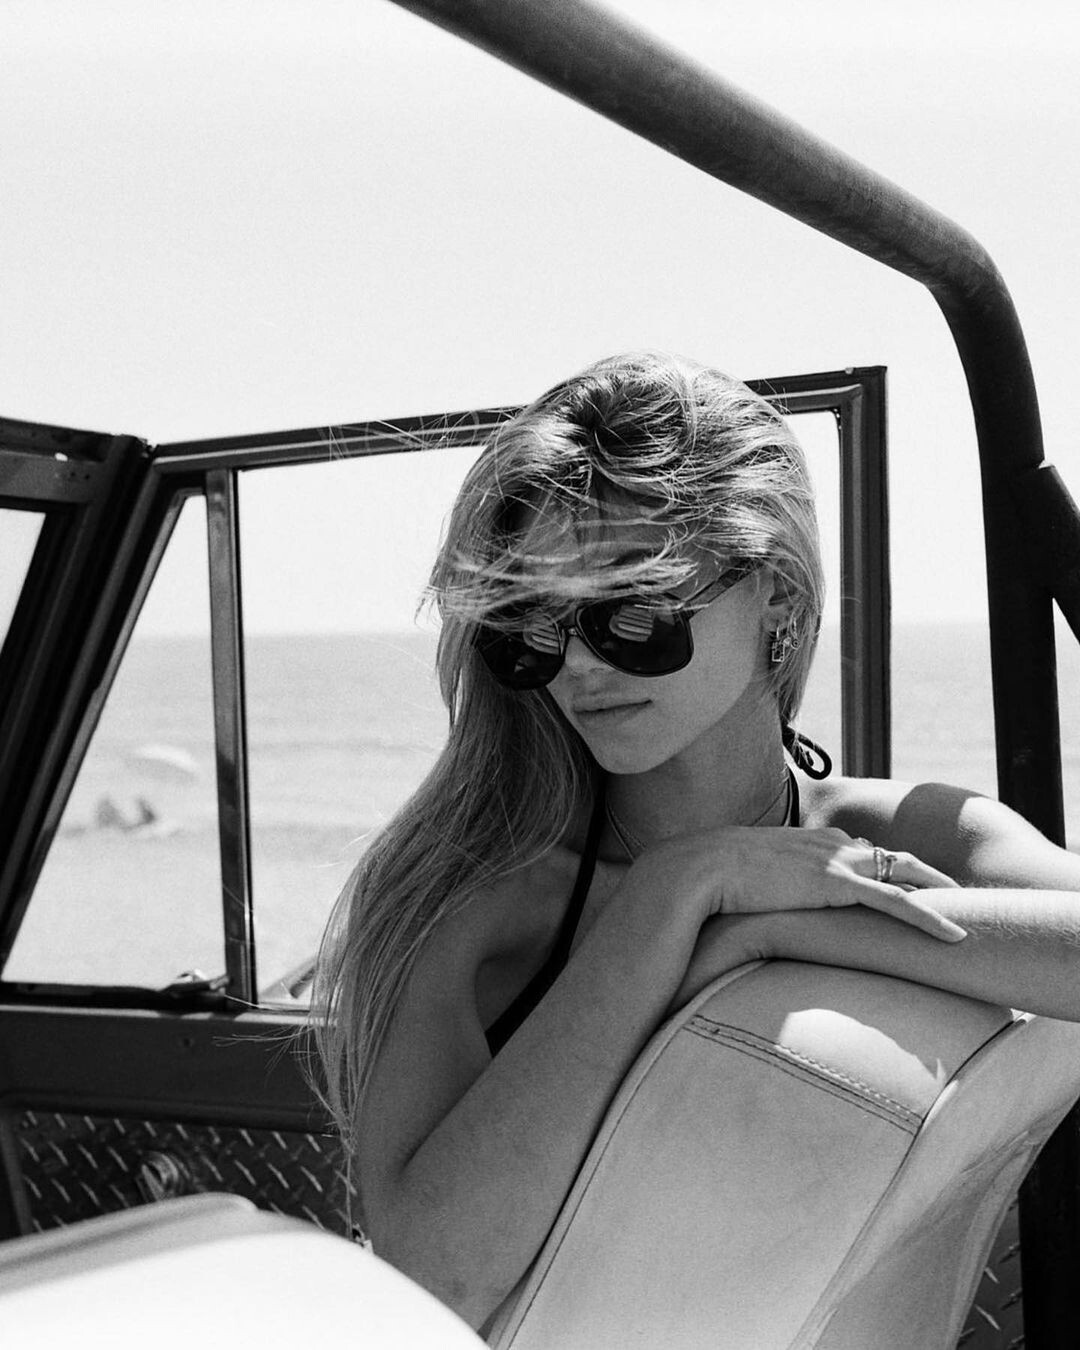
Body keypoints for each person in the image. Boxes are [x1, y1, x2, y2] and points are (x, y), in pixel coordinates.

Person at [312, 351, 1080, 1333]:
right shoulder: (479, 906)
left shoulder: (910, 834)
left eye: (630, 609)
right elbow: (430, 1282)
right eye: (531, 626)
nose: (577, 666)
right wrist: (670, 898)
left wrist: (764, 930)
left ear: (779, 595)